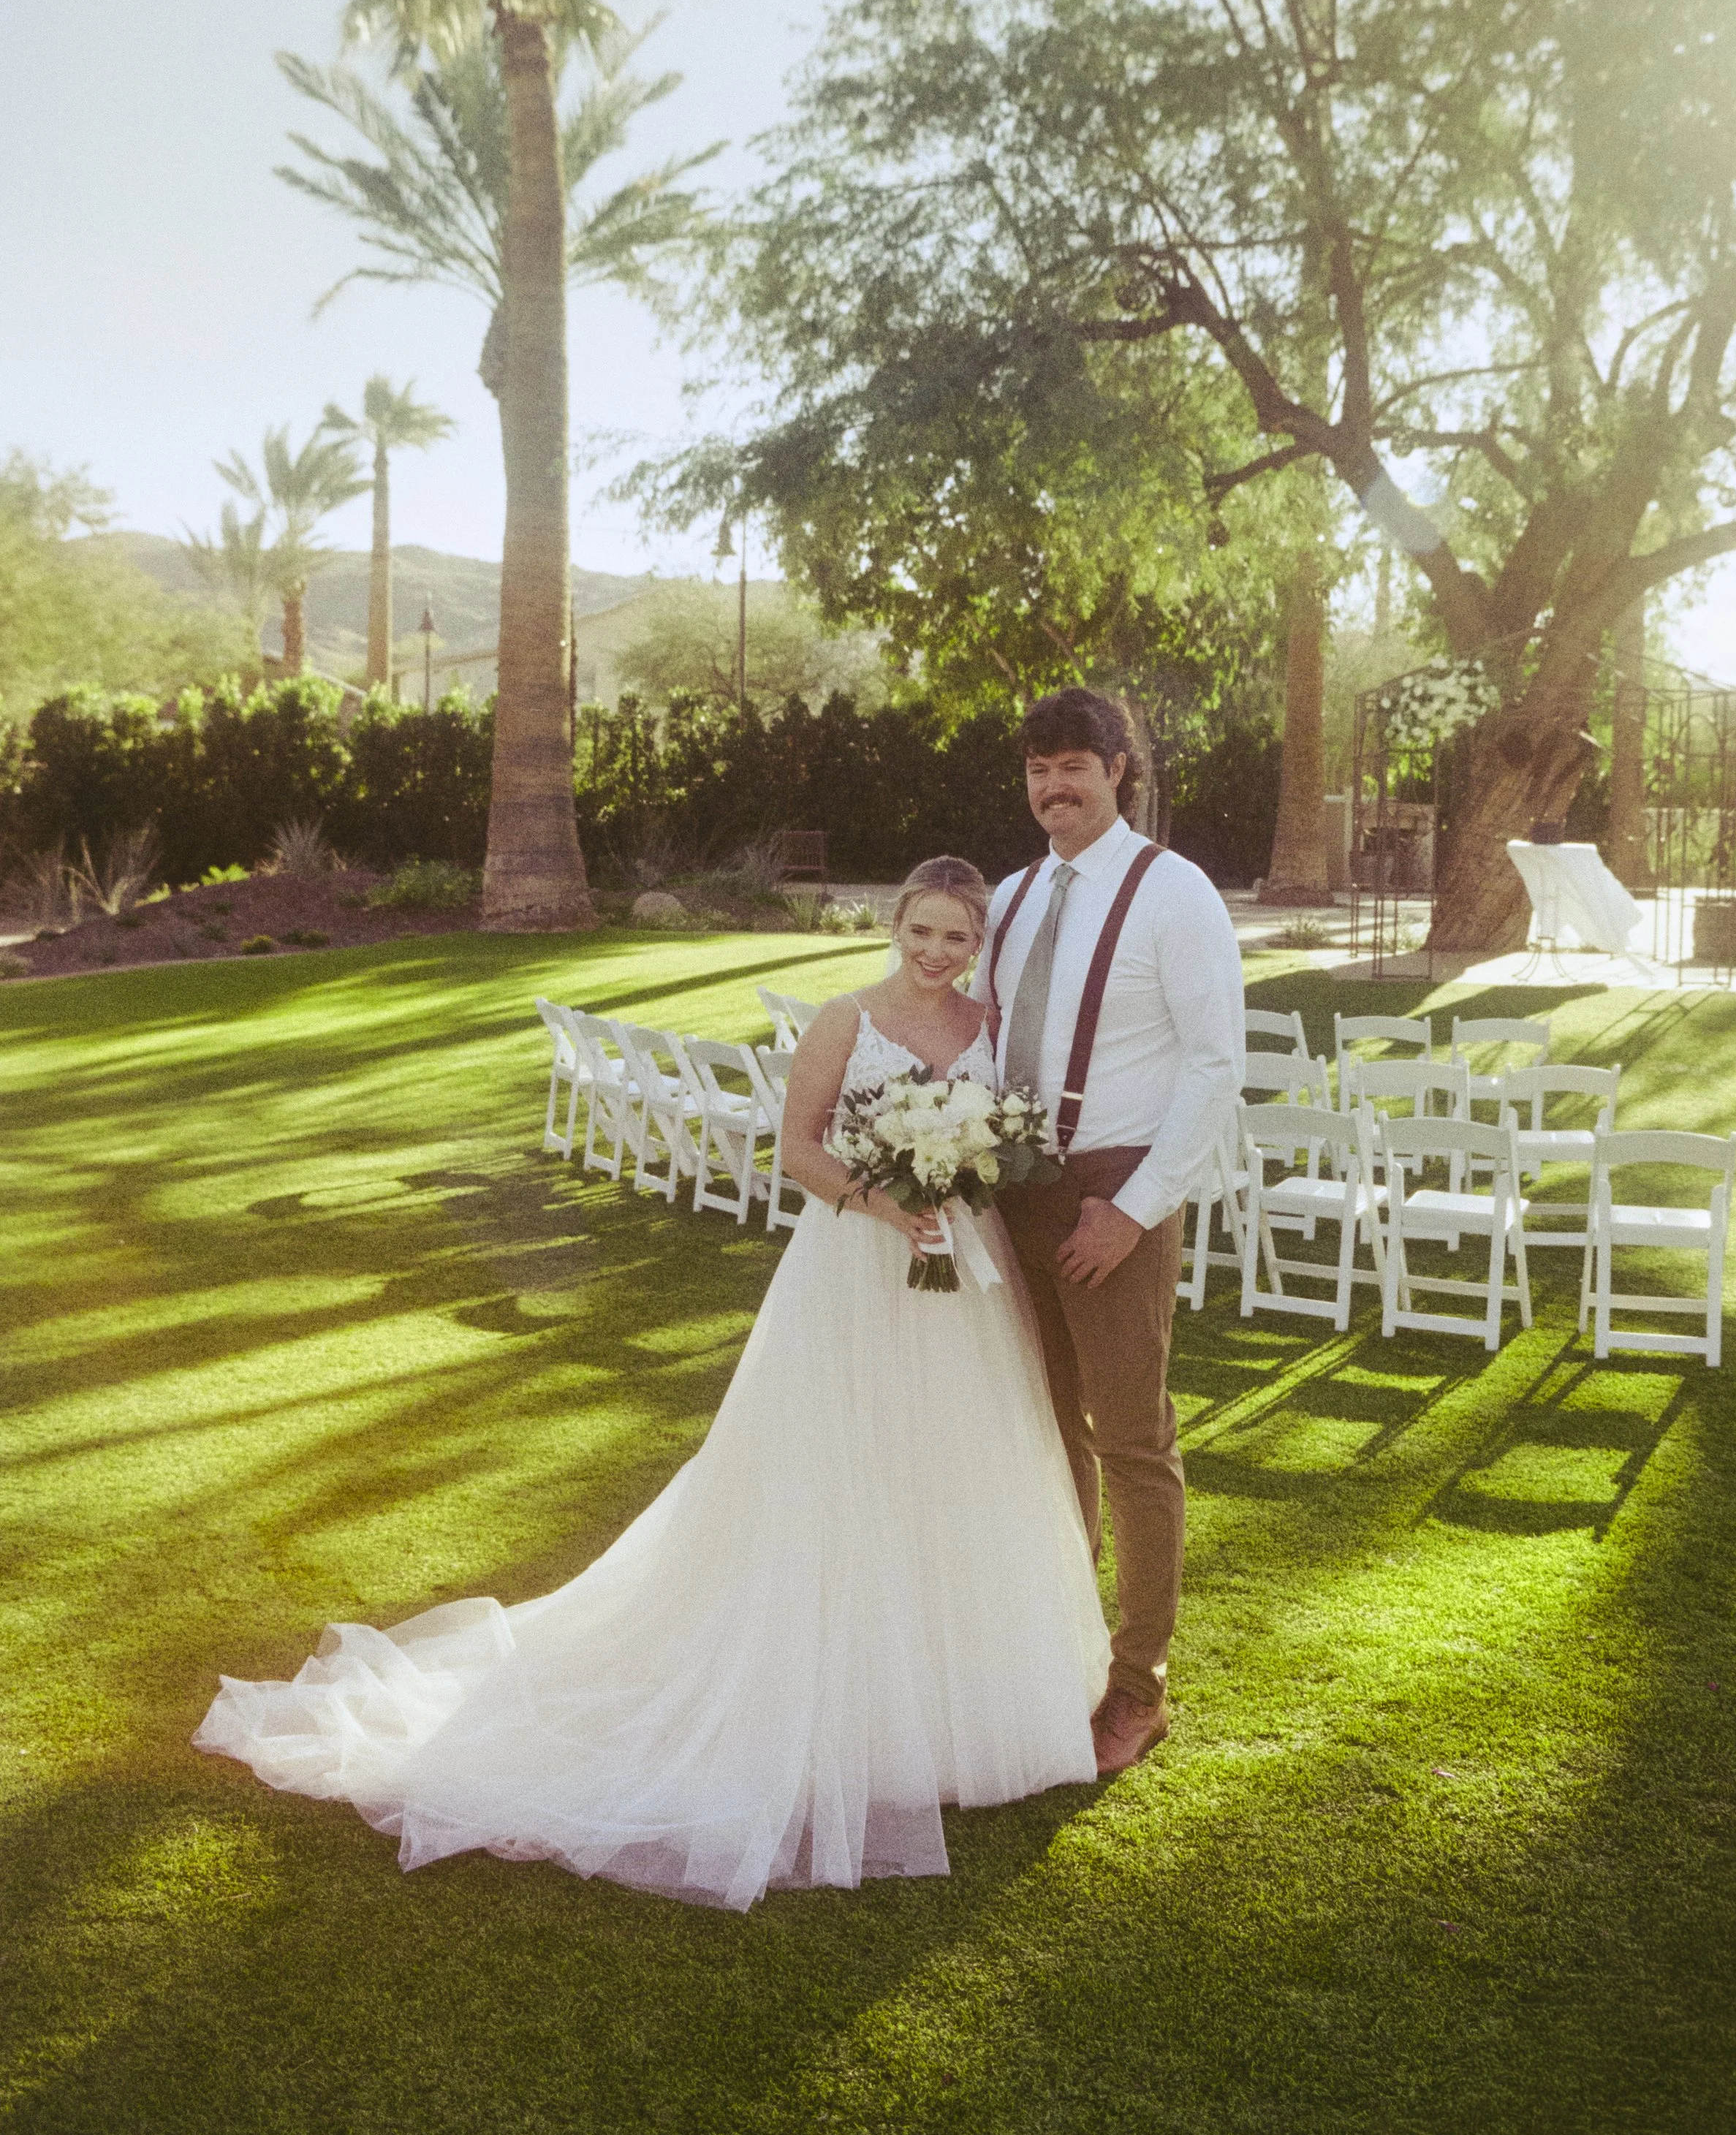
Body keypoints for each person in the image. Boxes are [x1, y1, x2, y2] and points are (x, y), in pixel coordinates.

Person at [193, 857, 1107, 1914]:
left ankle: (966, 1704)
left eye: (957, 937)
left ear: (978, 944)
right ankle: (843, 1701)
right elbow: (797, 1148)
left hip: (962, 1275)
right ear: (895, 925)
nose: (937, 952)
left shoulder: (987, 1025)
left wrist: (959, 1176)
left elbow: (1004, 1132)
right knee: (838, 1465)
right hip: (858, 1268)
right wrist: (885, 1202)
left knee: (957, 1467)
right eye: (922, 931)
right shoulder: (845, 1020)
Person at [980, 690, 1245, 1778]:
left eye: (1074, 768)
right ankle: (1066, 1646)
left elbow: (1216, 1065)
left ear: (1118, 769)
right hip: (1015, 1191)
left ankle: (1139, 1683)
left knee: (1131, 1436)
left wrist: (1132, 1211)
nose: (1054, 789)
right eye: (1038, 770)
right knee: (1048, 1428)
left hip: (1114, 1191)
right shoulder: (1011, 896)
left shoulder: (1175, 892)